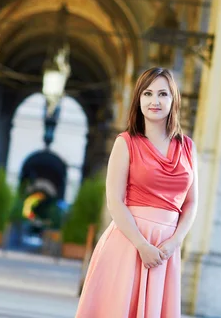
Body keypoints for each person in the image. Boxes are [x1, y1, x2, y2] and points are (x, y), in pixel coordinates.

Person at [75, 67, 199, 318]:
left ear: (174, 99)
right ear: (138, 100)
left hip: (166, 250)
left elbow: (192, 202)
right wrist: (142, 245)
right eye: (148, 93)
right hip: (129, 243)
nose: (155, 101)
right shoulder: (126, 143)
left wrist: (175, 242)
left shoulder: (187, 147)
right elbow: (115, 201)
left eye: (163, 94)